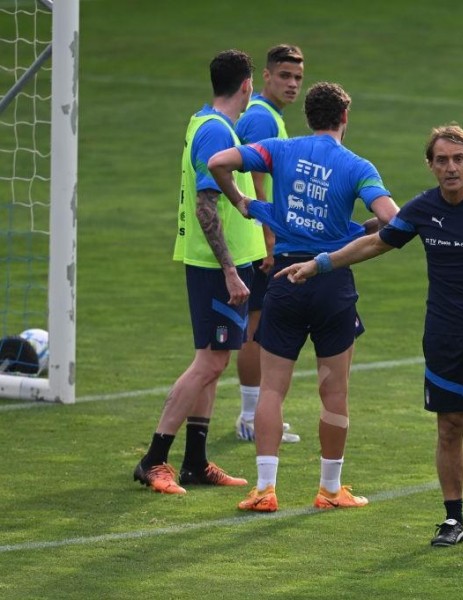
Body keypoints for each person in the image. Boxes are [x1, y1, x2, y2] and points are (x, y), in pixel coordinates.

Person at [276, 124, 463, 553]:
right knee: (450, 428)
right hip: (442, 338)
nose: (450, 167)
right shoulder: (422, 208)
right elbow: (375, 244)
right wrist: (319, 264)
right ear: (430, 165)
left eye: (458, 159)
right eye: (441, 160)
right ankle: (453, 518)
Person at [208, 81, 400, 512]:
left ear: (308, 117)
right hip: (333, 285)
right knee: (334, 394)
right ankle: (330, 490)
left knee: (273, 390)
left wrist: (245, 204)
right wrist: (355, 232)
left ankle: (264, 489)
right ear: (344, 119)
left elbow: (219, 161)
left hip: (285, 280)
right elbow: (392, 220)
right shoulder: (356, 166)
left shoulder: (280, 149)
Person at [133, 49, 262, 494]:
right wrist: (229, 270)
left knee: (216, 362)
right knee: (208, 362)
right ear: (246, 85)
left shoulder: (207, 123)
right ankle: (153, 460)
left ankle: (195, 461)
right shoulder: (215, 133)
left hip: (222, 264)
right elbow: (207, 207)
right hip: (214, 268)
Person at [233, 43, 304, 445]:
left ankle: (251, 414)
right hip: (263, 239)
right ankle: (248, 417)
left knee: (258, 324)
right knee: (256, 326)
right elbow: (256, 179)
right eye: (284, 76)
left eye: (297, 77)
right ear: (266, 76)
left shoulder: (267, 115)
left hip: (262, 234)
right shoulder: (261, 119)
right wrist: (269, 237)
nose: (292, 84)